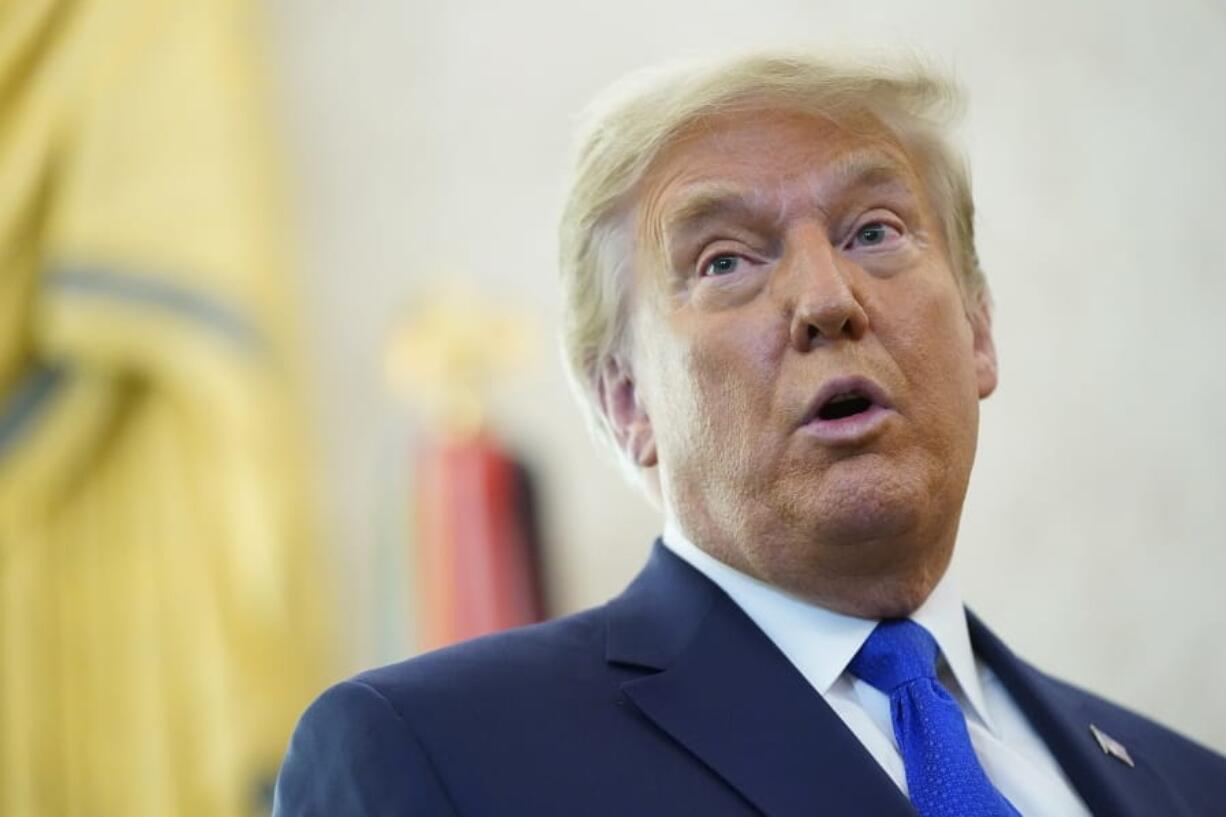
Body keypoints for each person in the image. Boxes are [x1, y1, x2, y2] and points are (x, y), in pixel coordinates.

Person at [272, 52, 1226, 816]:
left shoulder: (1190, 785)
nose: (825, 298)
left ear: (978, 329)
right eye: (724, 258)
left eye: (875, 231)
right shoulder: (437, 756)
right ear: (626, 401)